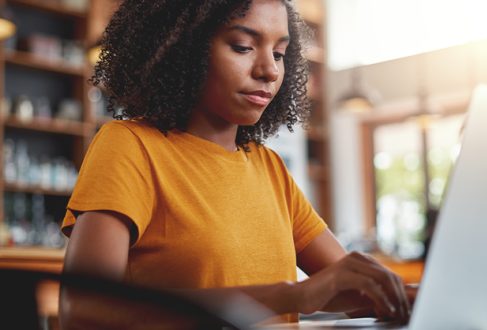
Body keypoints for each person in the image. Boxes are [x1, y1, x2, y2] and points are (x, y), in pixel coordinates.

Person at [59, 0, 413, 328]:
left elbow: (357, 291)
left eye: (279, 53)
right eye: (243, 46)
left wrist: (411, 294)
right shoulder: (130, 146)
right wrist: (293, 295)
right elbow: (85, 310)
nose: (269, 70)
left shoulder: (269, 167)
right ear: (183, 48)